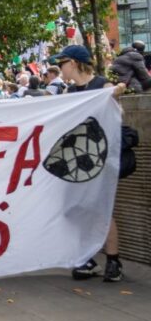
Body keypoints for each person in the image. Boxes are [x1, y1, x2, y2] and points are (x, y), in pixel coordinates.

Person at [48, 44, 127, 282]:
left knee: (102, 209)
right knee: (75, 210)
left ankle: (113, 260)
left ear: (73, 63)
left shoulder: (101, 86)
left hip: (96, 158)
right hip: (74, 160)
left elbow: (117, 115)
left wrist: (114, 92)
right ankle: (88, 257)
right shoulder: (70, 93)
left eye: (62, 64)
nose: (61, 69)